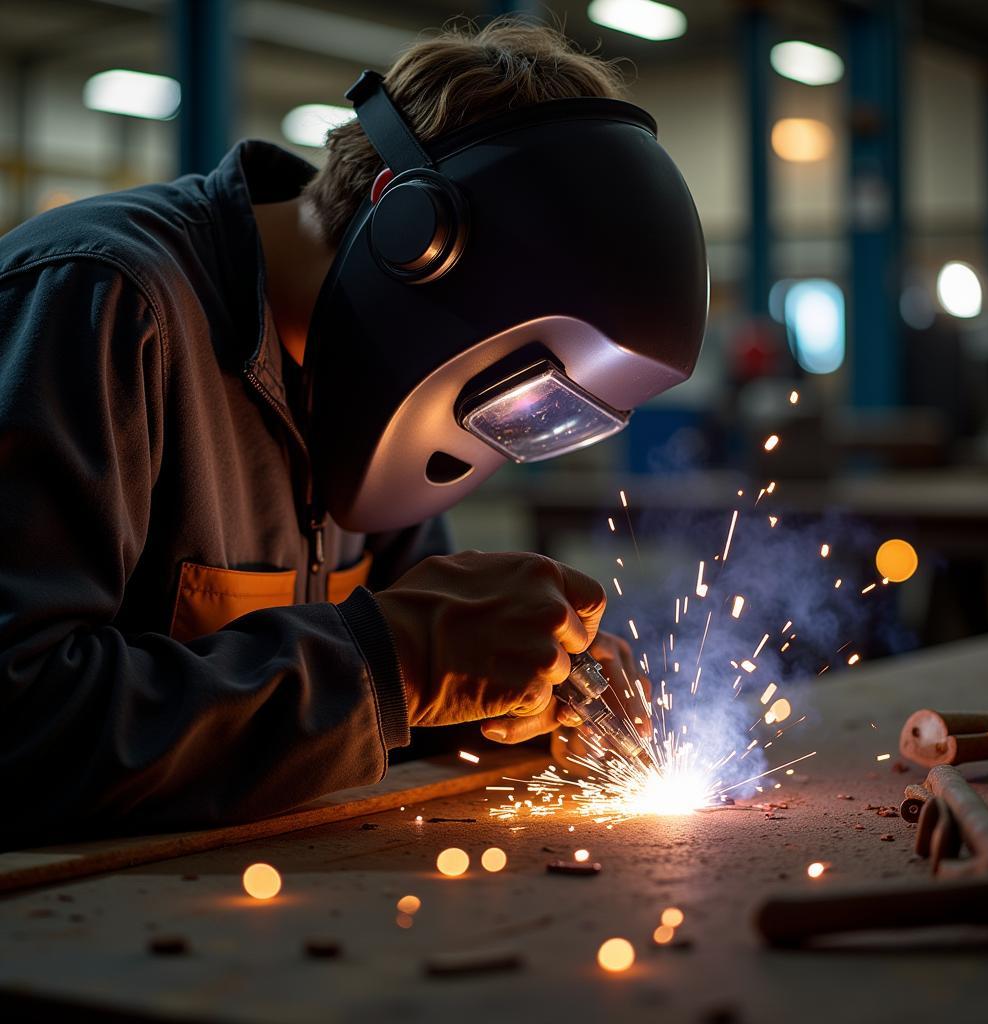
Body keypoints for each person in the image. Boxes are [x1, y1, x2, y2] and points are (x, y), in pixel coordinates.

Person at [0, 20, 706, 842]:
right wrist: (393, 660)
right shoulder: (105, 302)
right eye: (515, 384)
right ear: (414, 236)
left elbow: (414, 674)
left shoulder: (377, 384)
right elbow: (19, 722)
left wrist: (513, 686)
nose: (505, 428)